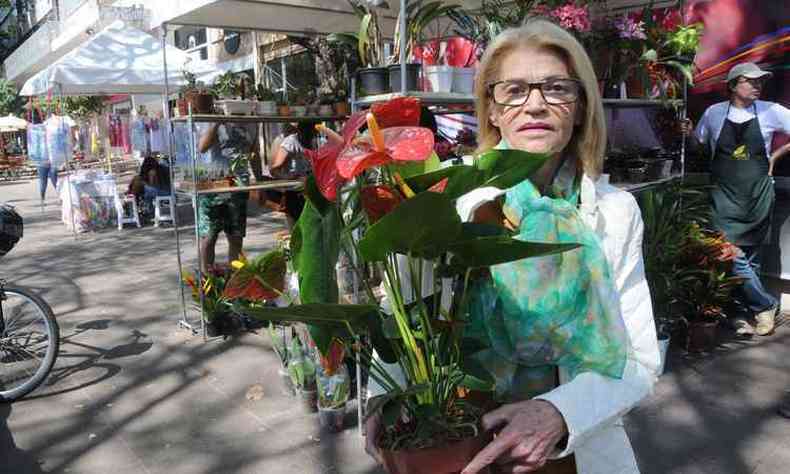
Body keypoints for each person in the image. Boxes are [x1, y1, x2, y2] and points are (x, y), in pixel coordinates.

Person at [365, 20, 659, 474]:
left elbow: (639, 361)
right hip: (459, 443)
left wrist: (559, 413)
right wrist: (381, 400)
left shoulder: (615, 212)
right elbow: (399, 321)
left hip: (573, 448)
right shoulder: (449, 200)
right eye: (515, 90)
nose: (536, 105)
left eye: (557, 88)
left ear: (580, 107)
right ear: (493, 110)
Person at [681, 62, 789, 336]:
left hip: (757, 195)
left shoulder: (770, 110)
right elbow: (700, 144)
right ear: (732, 85)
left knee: (751, 257)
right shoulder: (714, 113)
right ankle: (765, 304)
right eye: (750, 81)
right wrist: (687, 135)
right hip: (723, 196)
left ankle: (744, 316)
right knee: (728, 252)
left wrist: (775, 156)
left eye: (760, 82)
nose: (757, 86)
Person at [197, 122, 258, 272]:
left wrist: (259, 180)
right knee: (209, 236)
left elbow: (254, 153)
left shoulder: (252, 123)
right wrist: (217, 122)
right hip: (215, 185)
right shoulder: (216, 121)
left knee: (236, 238)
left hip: (239, 186)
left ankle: (234, 281)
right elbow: (202, 147)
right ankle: (208, 280)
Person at [268, 122, 311, 228]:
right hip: (295, 192)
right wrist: (288, 178)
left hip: (308, 191)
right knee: (298, 229)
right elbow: (274, 169)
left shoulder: (311, 142)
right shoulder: (290, 142)